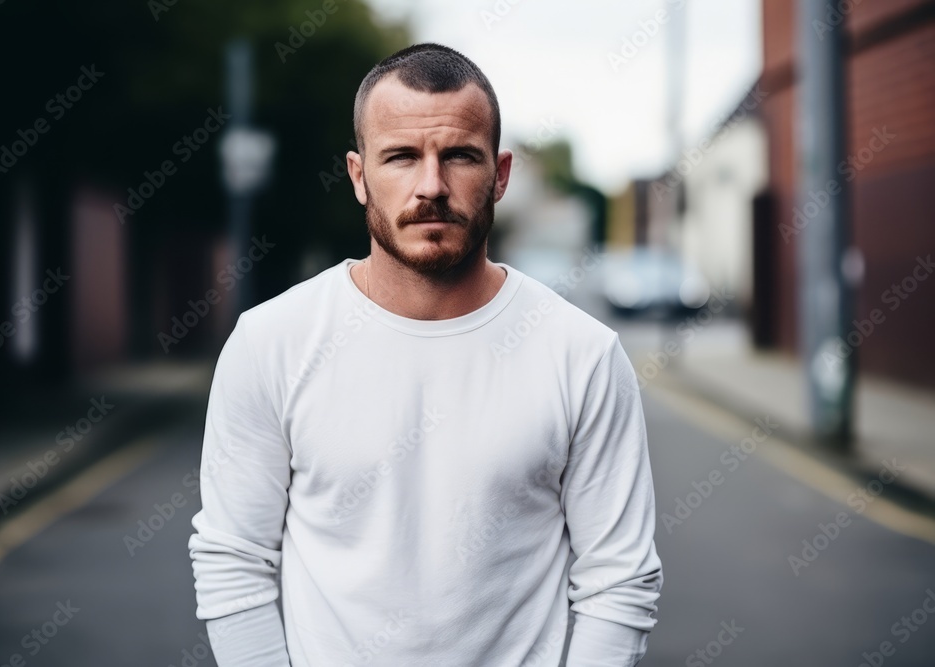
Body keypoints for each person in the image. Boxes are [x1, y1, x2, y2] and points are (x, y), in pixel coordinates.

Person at [188, 42, 663, 666]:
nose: (431, 186)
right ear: (359, 176)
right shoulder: (271, 341)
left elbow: (619, 579)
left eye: (460, 155)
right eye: (402, 157)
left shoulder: (583, 355)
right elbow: (233, 557)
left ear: (500, 174)